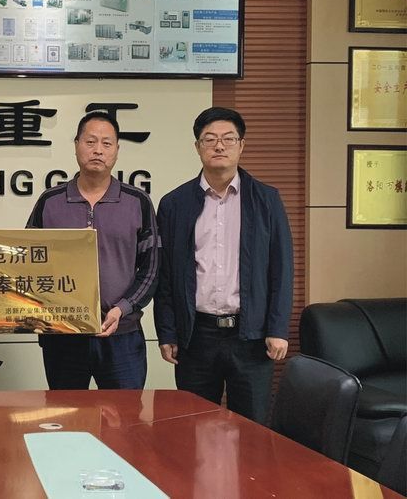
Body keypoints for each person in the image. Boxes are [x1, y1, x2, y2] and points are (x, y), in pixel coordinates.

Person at [153, 107, 293, 423]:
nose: (219, 146)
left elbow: (282, 270)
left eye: (228, 139)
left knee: (253, 427)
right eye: (210, 139)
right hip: (196, 336)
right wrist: (167, 332)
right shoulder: (174, 203)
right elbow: (166, 275)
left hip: (251, 337)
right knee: (193, 425)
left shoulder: (266, 200)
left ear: (241, 145)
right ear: (197, 146)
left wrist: (277, 329)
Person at [26, 111, 160, 389]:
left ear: (117, 150)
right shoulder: (50, 201)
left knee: (124, 414)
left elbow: (151, 269)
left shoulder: (137, 201)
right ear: (76, 145)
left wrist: (122, 309)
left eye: (106, 143)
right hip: (63, 335)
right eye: (90, 141)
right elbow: (28, 262)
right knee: (66, 412)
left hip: (122, 334)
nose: (98, 150)